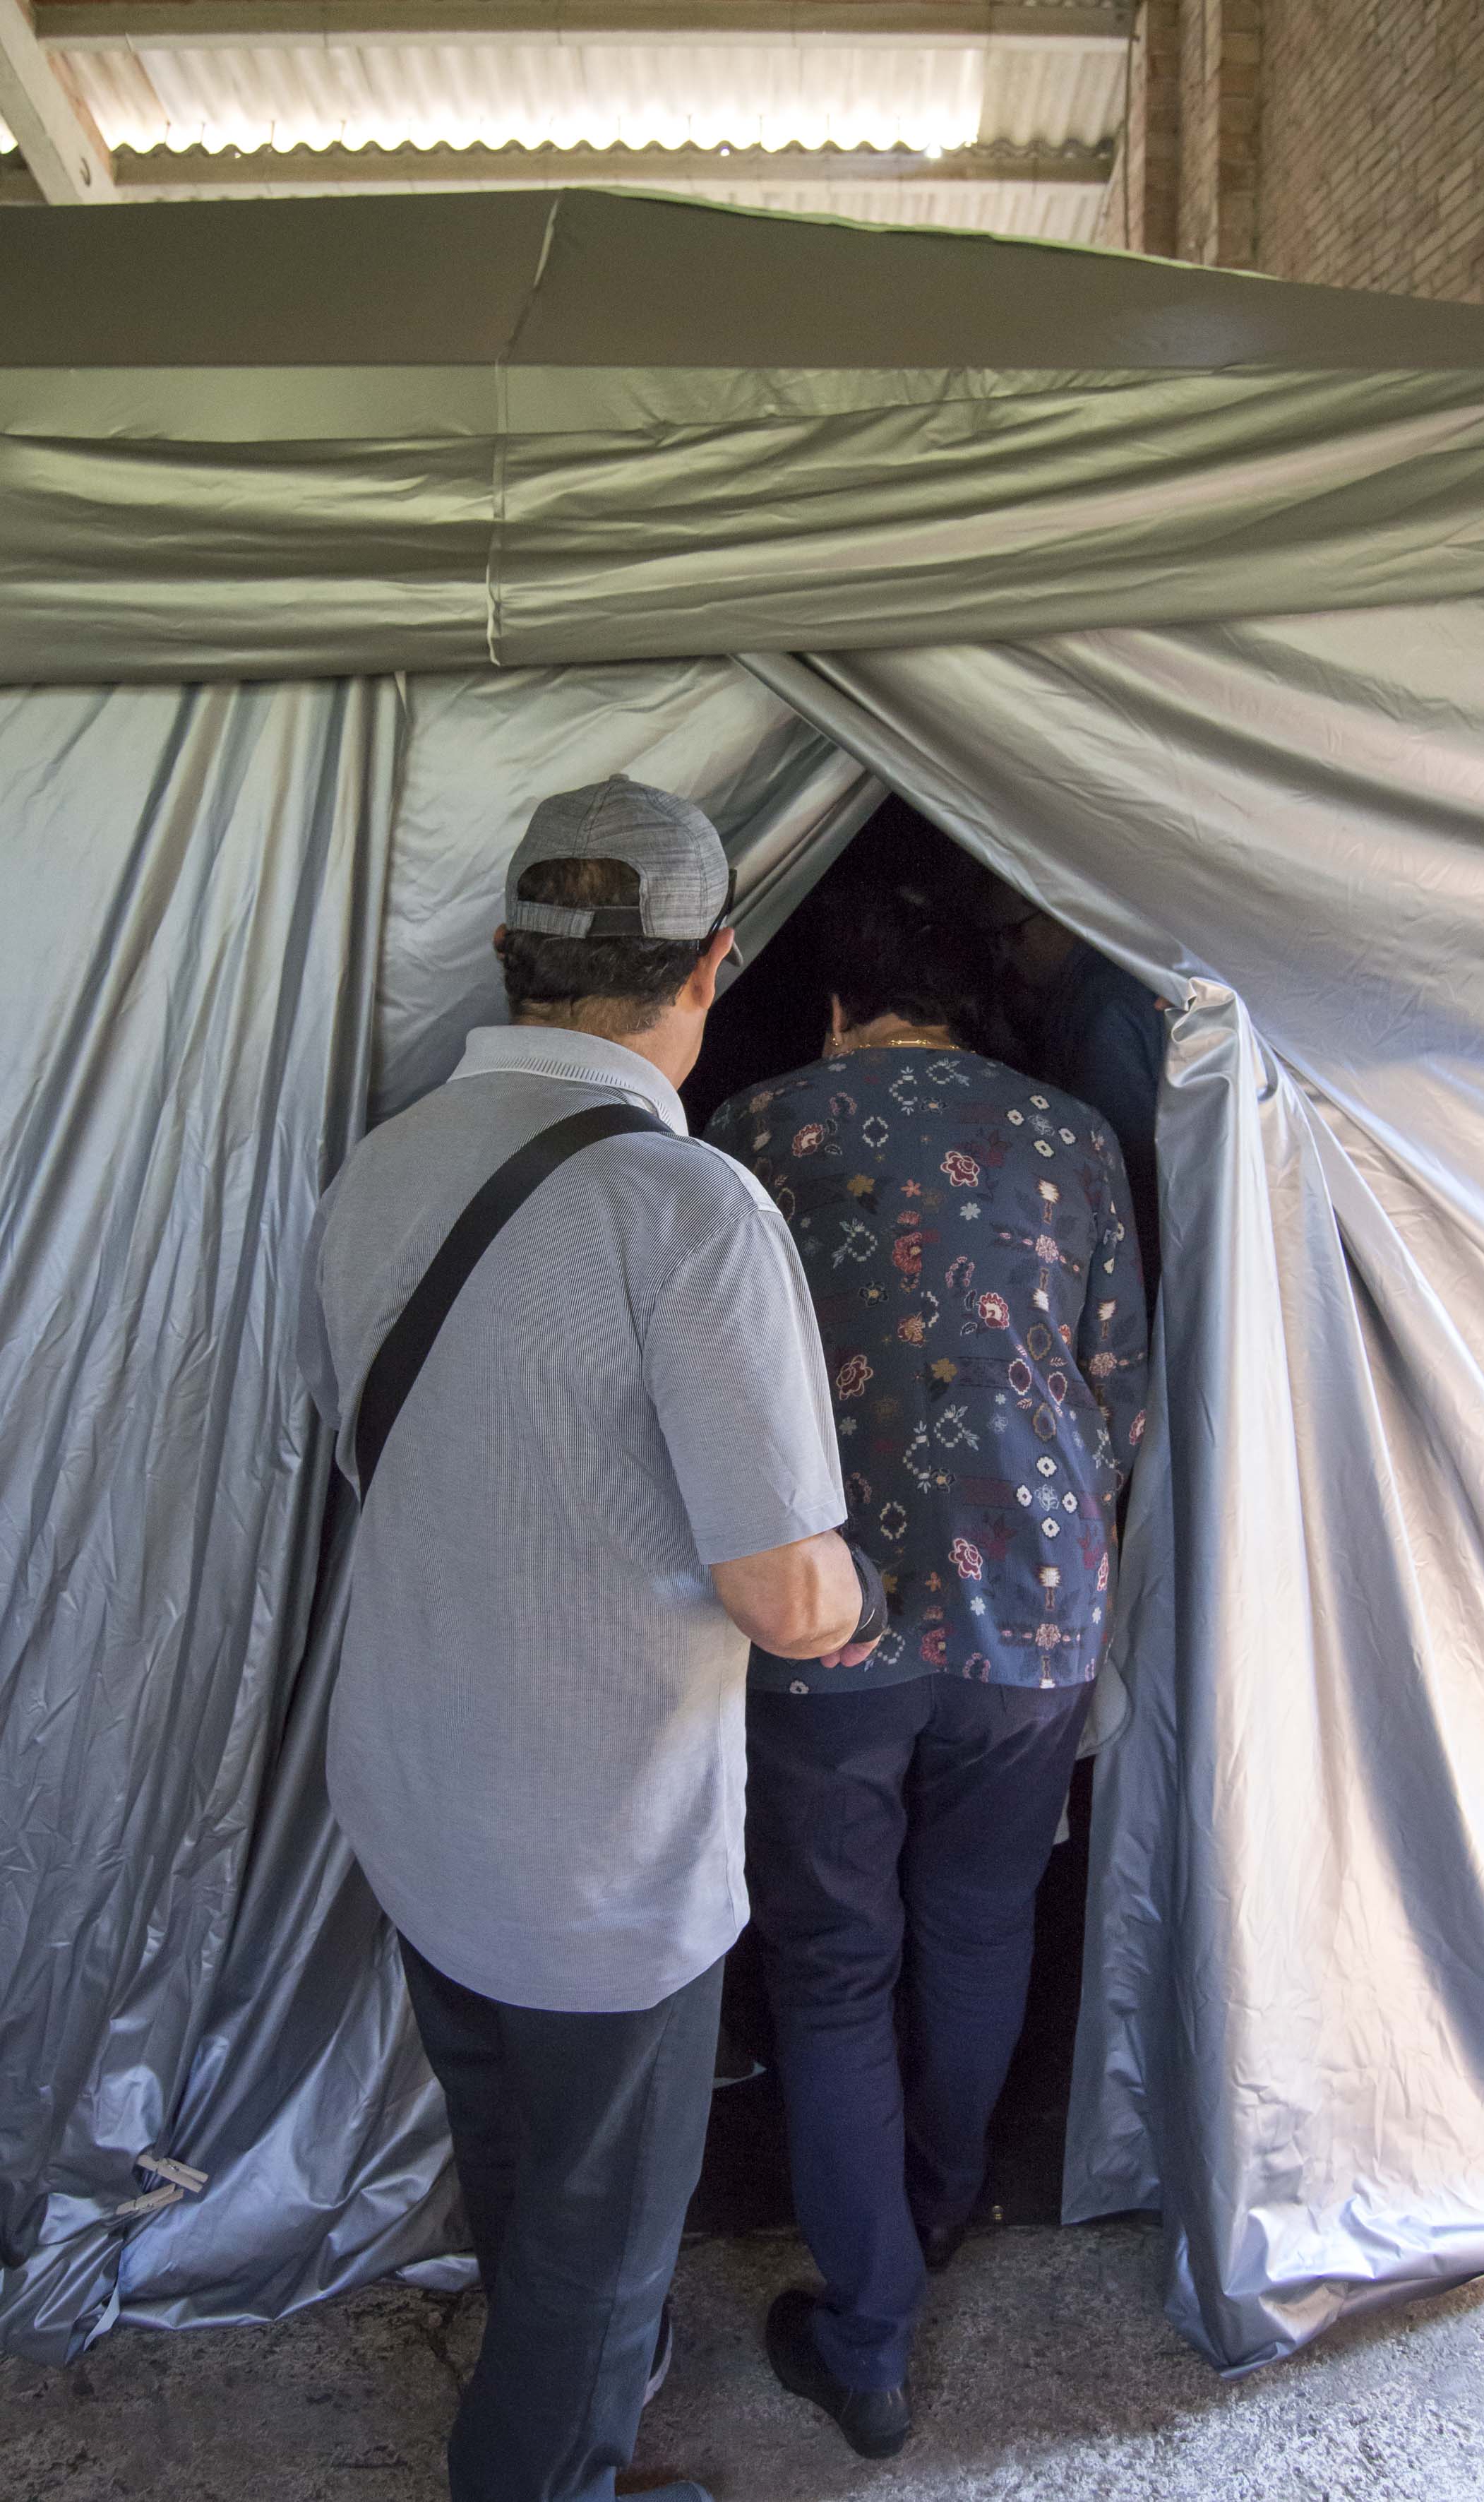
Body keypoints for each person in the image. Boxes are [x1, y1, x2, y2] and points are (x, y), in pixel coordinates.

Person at [298, 776, 887, 2502]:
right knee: (600, 2256)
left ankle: (559, 2379)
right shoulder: (688, 1208)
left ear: (506, 950)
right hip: (597, 1859)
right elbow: (783, 1592)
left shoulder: (381, 1164)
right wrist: (868, 1596)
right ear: (710, 964)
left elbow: (360, 1449)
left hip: (412, 1793)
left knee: (516, 2173)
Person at [705, 883, 1147, 2460]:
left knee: (832, 1962)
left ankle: (868, 2327)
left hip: (825, 1616)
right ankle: (942, 2201)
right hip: (1033, 1610)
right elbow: (1122, 1394)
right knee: (978, 1920)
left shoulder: (751, 1132)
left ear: (837, 1006)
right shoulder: (1071, 1136)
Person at [979, 885, 1166, 1291]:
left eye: (1013, 934)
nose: (1007, 955)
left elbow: (1122, 1162)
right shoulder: (1101, 986)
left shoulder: (1100, 1008)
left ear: (1057, 918)